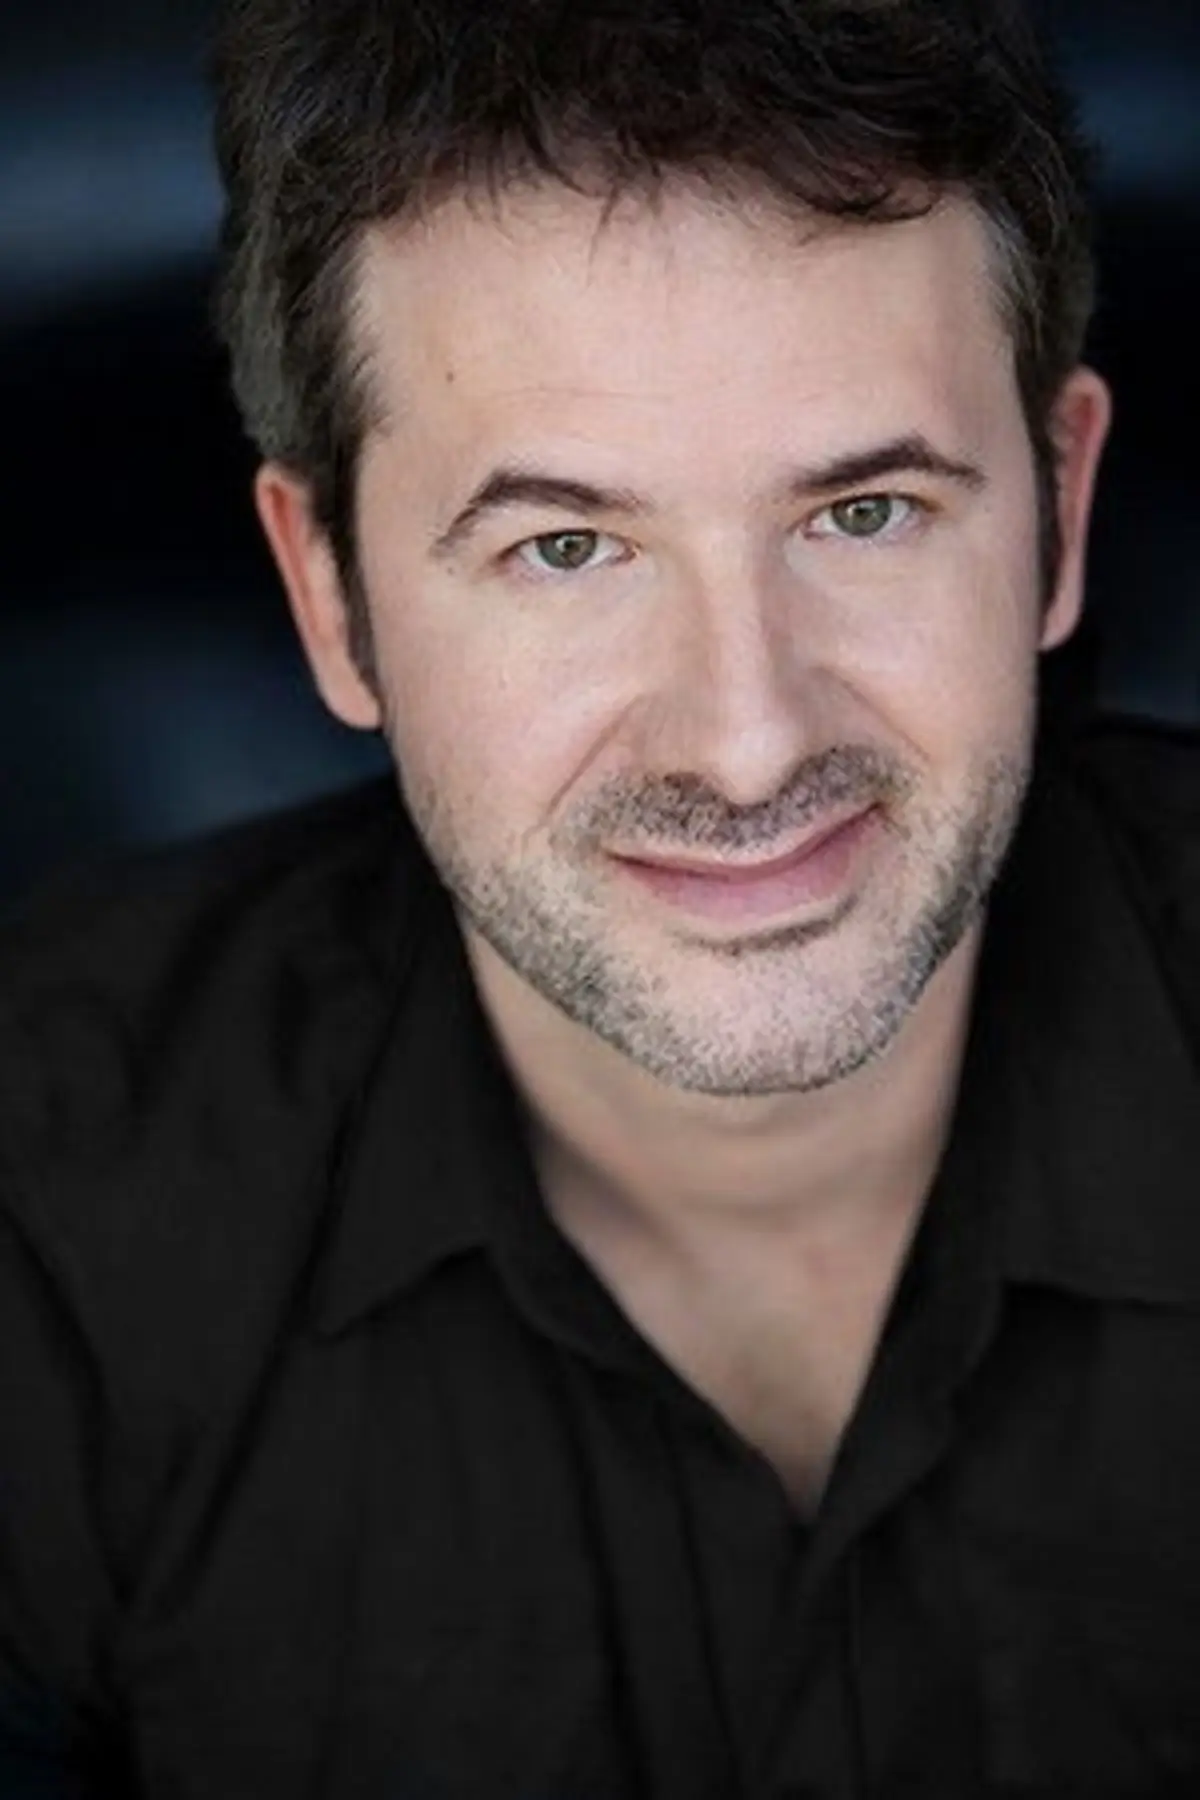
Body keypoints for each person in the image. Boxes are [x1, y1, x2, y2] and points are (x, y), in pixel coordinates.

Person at [1, 0, 1197, 1794]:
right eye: (566, 548)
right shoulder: (47, 1192)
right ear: (330, 597)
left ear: (1060, 507)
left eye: (865, 513)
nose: (747, 739)